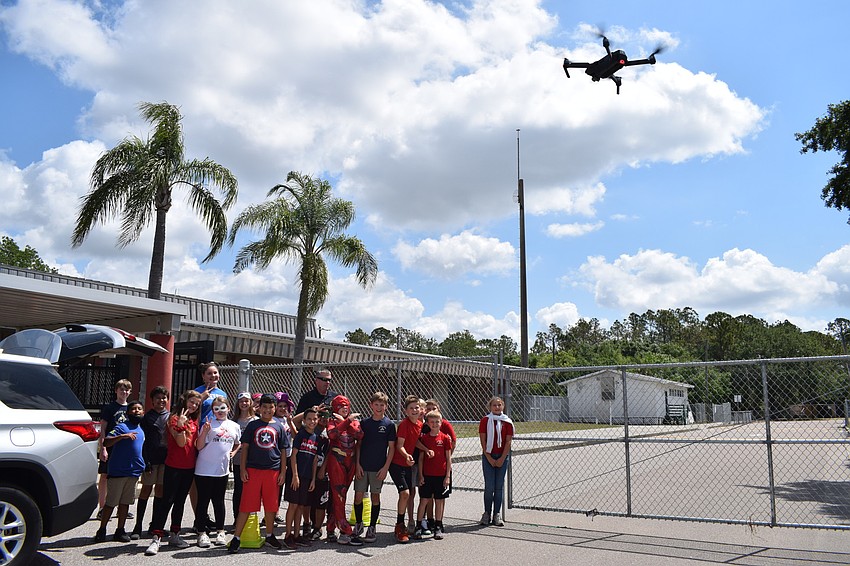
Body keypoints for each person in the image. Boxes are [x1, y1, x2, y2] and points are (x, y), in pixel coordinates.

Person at [228, 394, 290, 554]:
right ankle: (236, 537)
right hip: (253, 470)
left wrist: (283, 471)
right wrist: (242, 469)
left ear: (275, 408)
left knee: (271, 506)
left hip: (273, 471)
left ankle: (269, 535)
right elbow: (245, 448)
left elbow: (283, 451)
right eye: (264, 407)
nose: (268, 410)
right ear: (259, 408)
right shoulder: (252, 425)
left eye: (271, 407)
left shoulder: (279, 427)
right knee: (246, 505)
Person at [145, 390, 201, 556]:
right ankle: (156, 537)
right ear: (184, 401)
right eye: (191, 402)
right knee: (166, 501)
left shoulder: (194, 421)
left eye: (196, 404)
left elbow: (195, 445)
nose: (193, 405)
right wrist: (181, 425)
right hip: (173, 466)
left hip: (189, 467)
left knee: (180, 502)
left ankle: (175, 535)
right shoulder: (174, 418)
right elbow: (180, 441)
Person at [94, 400, 145, 543]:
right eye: (133, 409)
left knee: (125, 503)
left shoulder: (141, 429)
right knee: (111, 502)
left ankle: (120, 530)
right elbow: (107, 441)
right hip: (118, 471)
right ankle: (102, 529)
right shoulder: (122, 427)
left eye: (139, 409)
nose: (136, 411)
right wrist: (122, 437)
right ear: (128, 413)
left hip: (133, 472)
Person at [194, 395, 241, 547]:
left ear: (228, 408)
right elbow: (199, 446)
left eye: (223, 408)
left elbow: (237, 443)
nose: (220, 411)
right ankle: (201, 533)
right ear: (213, 411)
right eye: (216, 409)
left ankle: (220, 531)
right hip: (204, 469)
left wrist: (233, 452)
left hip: (222, 470)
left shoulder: (234, 426)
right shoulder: (209, 424)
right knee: (203, 501)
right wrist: (204, 432)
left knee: (219, 501)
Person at [353, 391, 396, 544]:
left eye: (382, 405)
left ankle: (372, 527)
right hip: (362, 467)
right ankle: (359, 524)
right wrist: (357, 464)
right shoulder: (364, 423)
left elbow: (391, 448)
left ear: (386, 406)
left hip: (378, 468)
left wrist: (385, 468)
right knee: (358, 496)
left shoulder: (389, 425)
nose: (379, 407)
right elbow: (358, 445)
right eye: (376, 404)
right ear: (371, 405)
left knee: (375, 497)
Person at [131, 385, 170, 539]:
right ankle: (137, 526)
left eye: (164, 398)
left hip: (165, 460)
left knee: (160, 491)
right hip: (150, 460)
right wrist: (145, 461)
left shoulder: (170, 416)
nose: (161, 401)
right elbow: (143, 441)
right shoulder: (147, 418)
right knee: (146, 490)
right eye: (158, 398)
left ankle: (155, 525)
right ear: (152, 401)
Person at [324, 394, 363, 545]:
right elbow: (332, 434)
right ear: (335, 408)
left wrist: (347, 422)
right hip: (337, 459)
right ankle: (346, 529)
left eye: (346, 406)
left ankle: (331, 527)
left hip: (350, 461)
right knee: (339, 494)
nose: (344, 408)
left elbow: (359, 435)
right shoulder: (332, 421)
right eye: (341, 406)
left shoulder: (353, 421)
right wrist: (346, 422)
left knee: (340, 495)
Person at [95, 379, 132, 519]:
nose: (124, 392)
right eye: (122, 389)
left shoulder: (131, 408)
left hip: (124, 449)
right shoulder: (109, 408)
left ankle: (121, 508)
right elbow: (103, 429)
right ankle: (102, 507)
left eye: (127, 390)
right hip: (110, 446)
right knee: (105, 476)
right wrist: (102, 448)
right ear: (116, 390)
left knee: (123, 478)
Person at [388, 395, 422, 543]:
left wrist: (426, 449)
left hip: (408, 465)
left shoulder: (419, 424)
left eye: (416, 407)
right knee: (405, 493)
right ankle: (400, 526)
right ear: (406, 411)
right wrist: (407, 455)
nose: (414, 410)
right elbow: (399, 445)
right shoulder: (404, 425)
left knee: (407, 495)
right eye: (411, 408)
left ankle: (403, 524)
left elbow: (415, 442)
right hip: (397, 464)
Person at [284, 407, 320, 549]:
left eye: (315, 419)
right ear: (304, 420)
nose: (312, 421)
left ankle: (297, 535)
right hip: (295, 476)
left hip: (307, 477)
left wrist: (312, 479)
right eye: (309, 419)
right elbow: (293, 456)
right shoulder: (300, 435)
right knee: (293, 505)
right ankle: (288, 535)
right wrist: (295, 475)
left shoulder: (316, 438)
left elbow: (315, 460)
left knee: (300, 506)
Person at [415, 410, 453, 540]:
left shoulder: (445, 438)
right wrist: (420, 475)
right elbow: (420, 459)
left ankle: (438, 525)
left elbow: (448, 459)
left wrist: (447, 476)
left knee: (439, 500)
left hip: (441, 476)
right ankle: (418, 526)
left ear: (441, 422)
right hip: (427, 475)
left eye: (437, 421)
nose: (435, 424)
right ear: (428, 423)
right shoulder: (424, 438)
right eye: (432, 422)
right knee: (424, 500)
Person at [422, 398, 456, 532]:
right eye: (428, 408)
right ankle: (429, 520)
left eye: (433, 408)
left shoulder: (444, 424)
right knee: (427, 496)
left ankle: (438, 522)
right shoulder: (425, 426)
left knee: (440, 497)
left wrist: (445, 459)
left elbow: (452, 441)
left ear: (439, 409)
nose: (431, 411)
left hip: (441, 468)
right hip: (427, 468)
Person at [479, 396, 513, 527]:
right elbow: (483, 440)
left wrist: (502, 458)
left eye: (499, 405)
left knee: (499, 486)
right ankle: (487, 513)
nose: (497, 407)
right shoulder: (485, 421)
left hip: (502, 457)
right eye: (494, 405)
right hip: (488, 455)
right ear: (490, 407)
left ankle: (496, 514)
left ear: (503, 406)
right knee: (489, 486)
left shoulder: (507, 422)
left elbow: (508, 441)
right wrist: (489, 457)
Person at [232, 391, 257, 521]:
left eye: (246, 401)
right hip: (237, 460)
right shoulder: (234, 421)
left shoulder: (255, 420)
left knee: (251, 491)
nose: (244, 403)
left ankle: (250, 520)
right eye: (241, 401)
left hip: (252, 460)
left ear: (251, 403)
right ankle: (237, 518)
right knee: (239, 490)